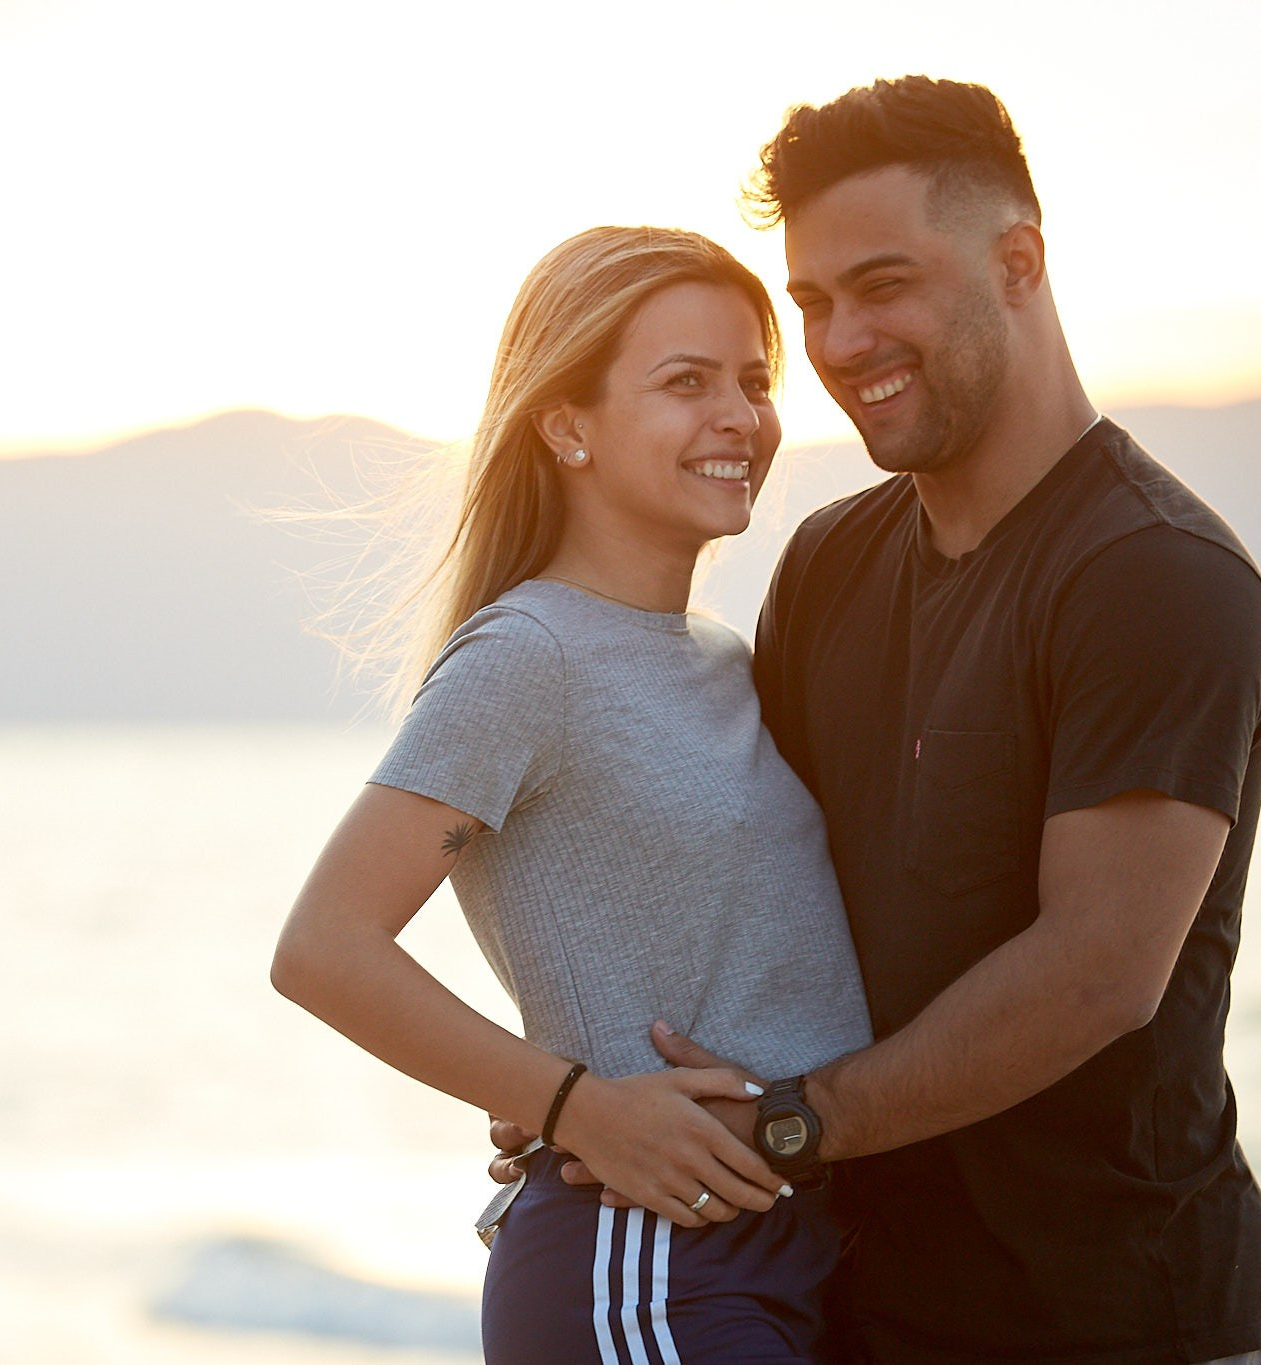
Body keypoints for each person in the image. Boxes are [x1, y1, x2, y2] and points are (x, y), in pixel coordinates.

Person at [491, 77, 1261, 1365]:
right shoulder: (827, 563)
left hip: (1103, 1321)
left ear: (1015, 262)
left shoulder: (1155, 577)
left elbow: (1095, 973)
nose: (840, 339)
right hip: (840, 1303)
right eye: (809, 301)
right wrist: (588, 1091)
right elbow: (742, 872)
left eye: (882, 284)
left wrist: (783, 1127)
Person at [271, 225, 875, 1363]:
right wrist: (572, 1106)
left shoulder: (718, 658)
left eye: (752, 382)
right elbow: (322, 948)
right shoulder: (527, 655)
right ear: (565, 425)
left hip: (787, 1247)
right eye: (684, 383)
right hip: (646, 1264)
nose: (739, 417)